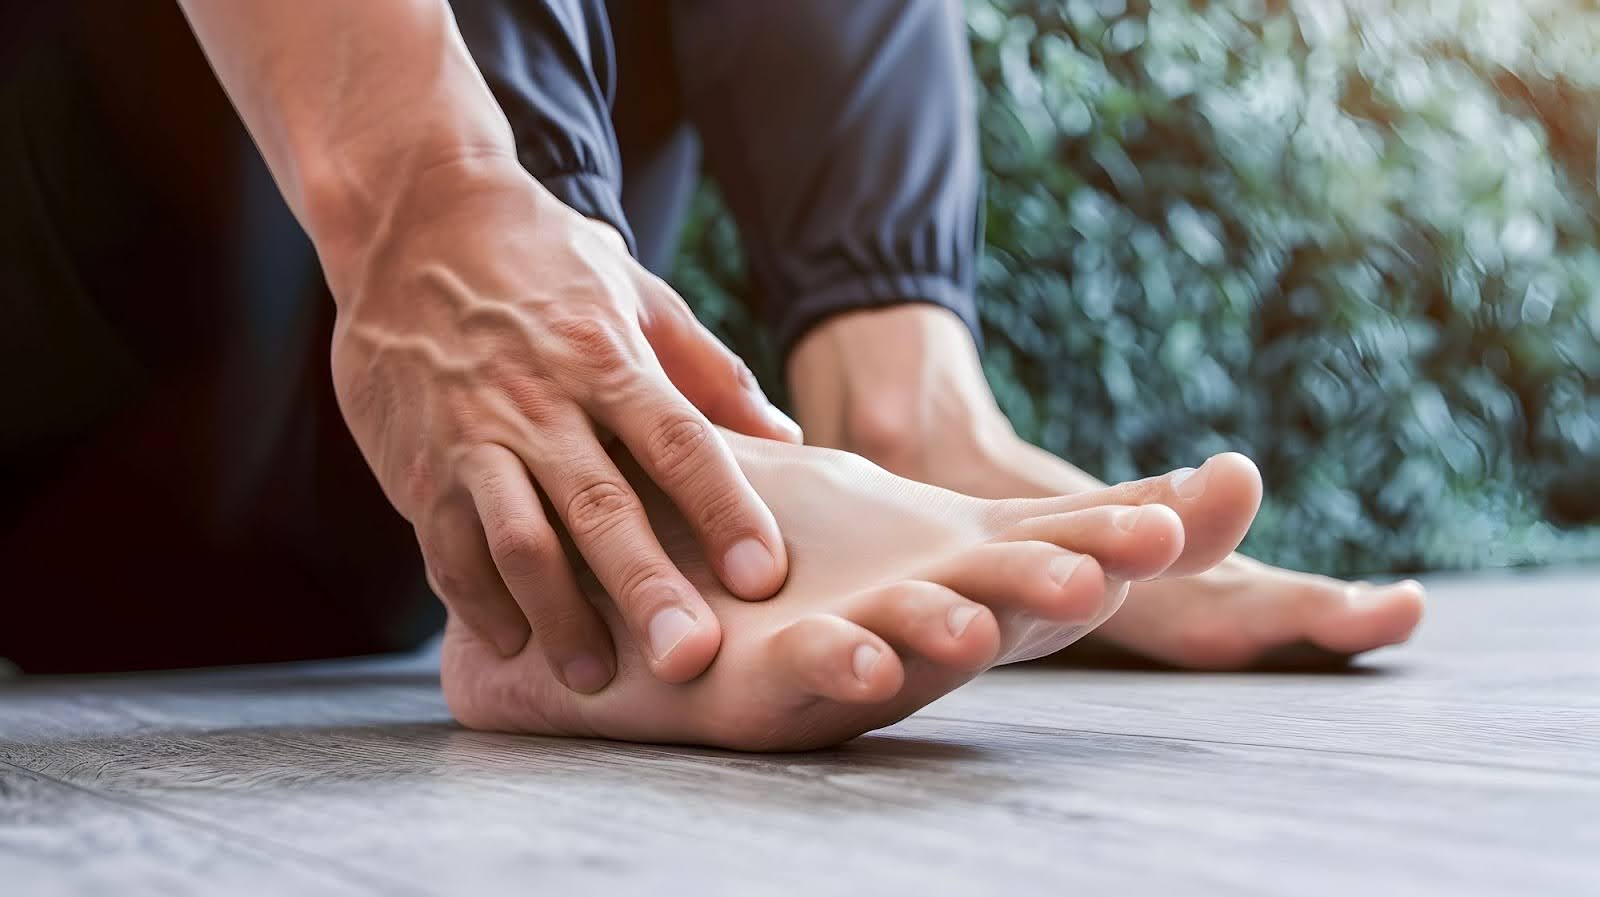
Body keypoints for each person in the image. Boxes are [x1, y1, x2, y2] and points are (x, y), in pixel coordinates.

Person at [0, 2, 1420, 745]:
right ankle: (569, 422)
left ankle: (905, 409)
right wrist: (431, 198)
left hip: (406, 494)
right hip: (103, 385)